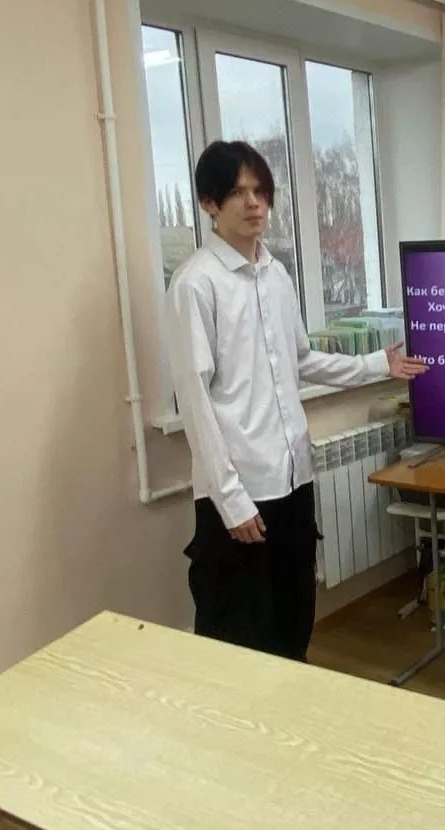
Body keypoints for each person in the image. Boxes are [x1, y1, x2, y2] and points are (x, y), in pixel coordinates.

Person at [167, 140, 426, 662]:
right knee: (240, 638)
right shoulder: (196, 285)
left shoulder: (276, 274)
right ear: (209, 203)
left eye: (260, 191)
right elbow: (195, 404)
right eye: (238, 193)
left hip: (293, 478)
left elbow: (301, 359)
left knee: (293, 621)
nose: (254, 203)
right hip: (241, 492)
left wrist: (376, 365)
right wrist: (232, 501)